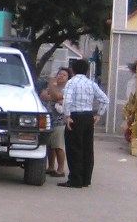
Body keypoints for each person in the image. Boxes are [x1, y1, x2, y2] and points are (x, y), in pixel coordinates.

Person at [59, 58, 109, 189]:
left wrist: (67, 115)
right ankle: (86, 179)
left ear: (73, 70)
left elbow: (67, 100)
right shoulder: (91, 83)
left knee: (74, 148)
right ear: (86, 71)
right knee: (87, 148)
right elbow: (105, 100)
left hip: (75, 116)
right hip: (88, 117)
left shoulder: (71, 83)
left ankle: (75, 179)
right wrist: (99, 114)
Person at [40, 67, 69, 176]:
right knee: (49, 146)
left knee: (58, 146)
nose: (60, 76)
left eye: (64, 75)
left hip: (59, 122)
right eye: (59, 74)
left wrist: (52, 95)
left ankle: (60, 169)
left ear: (68, 78)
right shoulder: (51, 88)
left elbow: (56, 97)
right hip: (48, 121)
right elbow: (43, 95)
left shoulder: (67, 89)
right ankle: (51, 167)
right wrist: (53, 96)